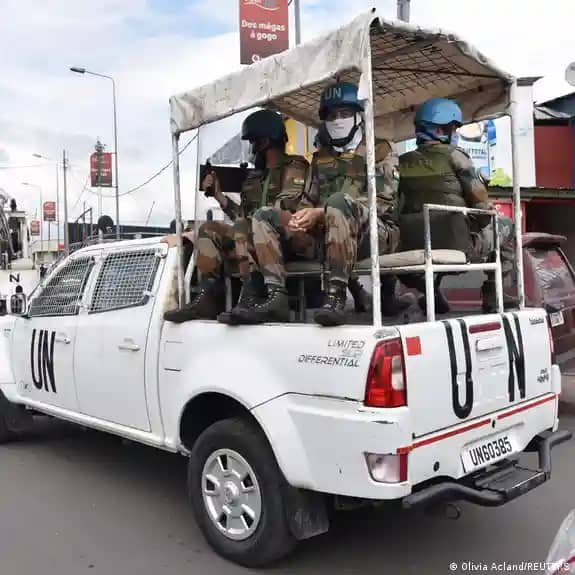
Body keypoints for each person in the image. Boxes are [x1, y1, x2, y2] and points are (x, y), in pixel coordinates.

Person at [231, 82, 404, 326]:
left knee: (337, 202)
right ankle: (275, 296)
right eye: (332, 116)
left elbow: (384, 202)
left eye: (345, 114)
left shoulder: (381, 150)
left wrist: (322, 212)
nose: (338, 120)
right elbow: (306, 201)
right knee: (264, 215)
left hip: (374, 234)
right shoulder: (320, 158)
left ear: (358, 116)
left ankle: (336, 296)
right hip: (327, 237)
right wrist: (296, 219)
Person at [164, 109, 309, 323]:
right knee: (209, 229)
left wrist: (250, 221)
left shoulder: (295, 166)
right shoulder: (253, 179)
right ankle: (209, 296)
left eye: (253, 142)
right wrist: (220, 197)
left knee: (247, 223)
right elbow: (242, 215)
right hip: (253, 238)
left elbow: (285, 207)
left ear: (265, 141)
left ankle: (252, 294)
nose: (251, 149)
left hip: (289, 236)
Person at [398, 97, 516, 313]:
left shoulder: (402, 161)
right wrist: (484, 217)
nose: (456, 134)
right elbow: (481, 210)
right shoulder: (457, 157)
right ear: (443, 129)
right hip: (459, 245)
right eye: (454, 128)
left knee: (435, 233)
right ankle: (492, 293)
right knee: (508, 225)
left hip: (412, 243)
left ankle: (431, 294)